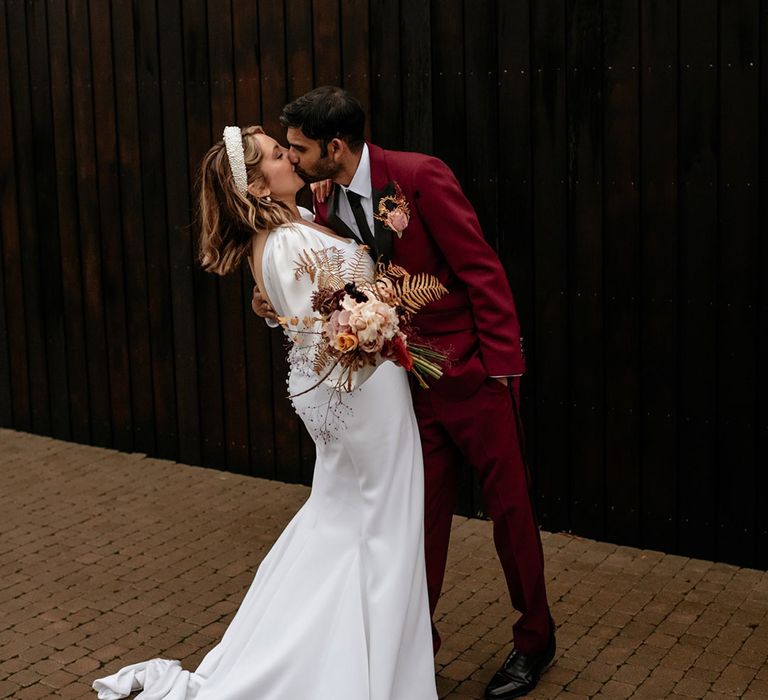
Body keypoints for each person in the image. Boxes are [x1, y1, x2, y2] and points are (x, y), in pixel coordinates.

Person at [91, 125, 438, 700]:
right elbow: (320, 335)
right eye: (278, 155)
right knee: (382, 528)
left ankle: (365, 664)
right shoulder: (285, 243)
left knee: (349, 526)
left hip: (366, 394)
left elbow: (301, 313)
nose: (290, 156)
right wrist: (375, 329)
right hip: (362, 398)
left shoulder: (291, 227)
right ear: (255, 185)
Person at [252, 86, 556, 700]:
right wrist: (267, 297)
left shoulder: (418, 178)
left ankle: (535, 639)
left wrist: (501, 369)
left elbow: (481, 269)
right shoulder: (319, 199)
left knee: (511, 510)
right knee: (420, 522)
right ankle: (416, 641)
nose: (292, 157)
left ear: (334, 147)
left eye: (298, 148)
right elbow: (315, 274)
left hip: (472, 378)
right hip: (406, 390)